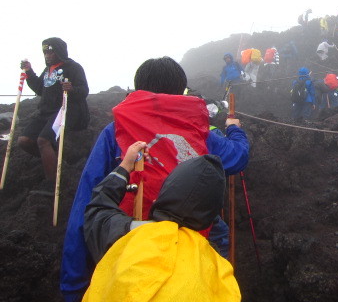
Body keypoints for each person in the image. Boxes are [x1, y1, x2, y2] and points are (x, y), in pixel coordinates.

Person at [61, 56, 250, 302]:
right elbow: (237, 157)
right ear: (181, 90)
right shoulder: (199, 132)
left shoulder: (114, 133)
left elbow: (85, 206)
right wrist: (234, 129)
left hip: (128, 243)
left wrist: (73, 286)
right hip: (192, 243)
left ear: (138, 89)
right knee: (216, 235)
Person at [82, 142, 241, 301]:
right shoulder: (221, 273)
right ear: (211, 217)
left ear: (164, 194)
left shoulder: (129, 236)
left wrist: (125, 166)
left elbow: (97, 210)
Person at [18, 37, 89, 195]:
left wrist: (71, 89)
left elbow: (84, 90)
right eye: (45, 52)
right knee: (24, 141)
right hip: (45, 111)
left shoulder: (73, 67)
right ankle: (56, 162)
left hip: (66, 110)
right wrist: (29, 71)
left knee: (43, 140)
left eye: (50, 51)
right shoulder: (48, 70)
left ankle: (53, 184)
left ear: (59, 51)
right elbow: (39, 88)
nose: (47, 55)